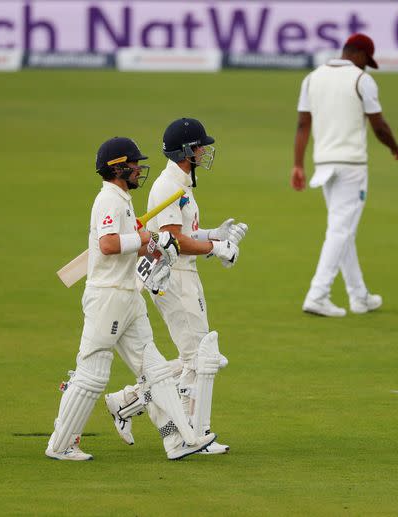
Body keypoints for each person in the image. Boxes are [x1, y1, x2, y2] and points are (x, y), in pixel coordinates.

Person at [45, 136, 216, 461]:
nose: (139, 169)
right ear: (119, 168)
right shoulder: (108, 200)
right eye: (134, 164)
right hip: (108, 296)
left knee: (157, 371)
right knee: (92, 375)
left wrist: (158, 248)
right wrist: (146, 236)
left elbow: (130, 244)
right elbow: (109, 244)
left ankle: (184, 439)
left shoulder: (122, 199)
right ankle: (61, 444)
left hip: (128, 296)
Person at [103, 118, 248, 455]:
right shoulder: (169, 185)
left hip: (182, 274)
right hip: (172, 276)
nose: (204, 151)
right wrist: (216, 249)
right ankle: (192, 434)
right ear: (186, 150)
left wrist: (213, 235)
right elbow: (175, 241)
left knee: (193, 359)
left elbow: (181, 233)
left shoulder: (181, 183)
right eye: (200, 147)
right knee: (198, 358)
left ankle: (127, 402)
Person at [291, 33, 398, 317]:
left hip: (324, 164)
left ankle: (359, 296)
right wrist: (395, 148)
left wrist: (298, 165)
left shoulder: (312, 78)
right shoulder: (361, 79)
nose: (367, 67)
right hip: (352, 166)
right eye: (367, 61)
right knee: (340, 230)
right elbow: (379, 126)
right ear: (360, 55)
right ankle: (318, 294)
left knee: (344, 231)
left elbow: (303, 125)